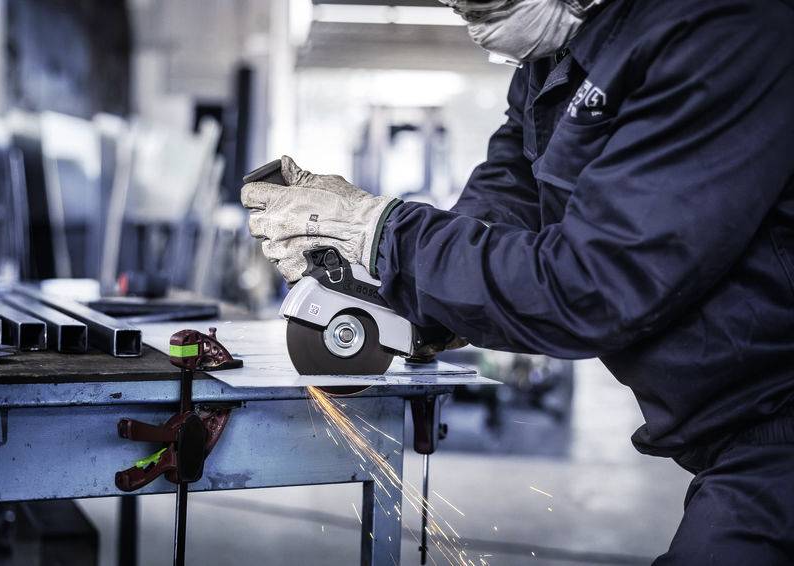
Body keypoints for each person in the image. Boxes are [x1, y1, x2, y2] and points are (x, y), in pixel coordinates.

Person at [241, 0, 794, 562]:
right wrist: (409, 285)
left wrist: (386, 233)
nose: (464, 10)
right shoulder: (556, 55)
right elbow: (513, 190)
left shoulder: (723, 30)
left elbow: (594, 285)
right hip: (736, 433)